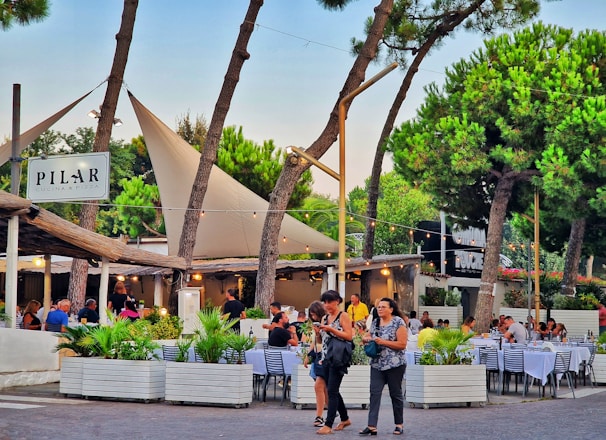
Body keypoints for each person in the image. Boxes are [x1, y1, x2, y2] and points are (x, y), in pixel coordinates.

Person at [360, 298, 407, 436]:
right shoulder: (375, 322)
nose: (380, 309)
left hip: (395, 364)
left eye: (383, 307)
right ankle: (371, 425)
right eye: (378, 307)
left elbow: (402, 344)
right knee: (374, 393)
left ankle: (399, 424)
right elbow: (368, 335)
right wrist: (365, 338)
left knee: (395, 394)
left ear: (391, 309)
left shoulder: (398, 322)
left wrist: (384, 342)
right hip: (377, 364)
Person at [316, 290, 353, 435]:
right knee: (333, 390)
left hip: (338, 358)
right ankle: (344, 419)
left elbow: (349, 336)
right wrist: (318, 332)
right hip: (326, 357)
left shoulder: (343, 316)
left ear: (337, 301)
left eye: (329, 302)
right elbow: (321, 341)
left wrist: (331, 329)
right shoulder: (325, 318)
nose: (327, 305)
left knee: (331, 390)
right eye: (324, 302)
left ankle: (328, 424)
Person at [303, 301, 328, 428]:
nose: (313, 317)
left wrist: (319, 333)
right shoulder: (317, 324)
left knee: (319, 386)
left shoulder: (326, 321)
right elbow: (314, 341)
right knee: (324, 388)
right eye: (311, 315)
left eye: (314, 314)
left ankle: (319, 417)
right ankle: (336, 411)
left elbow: (323, 340)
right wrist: (308, 355)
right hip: (319, 356)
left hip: (325, 357)